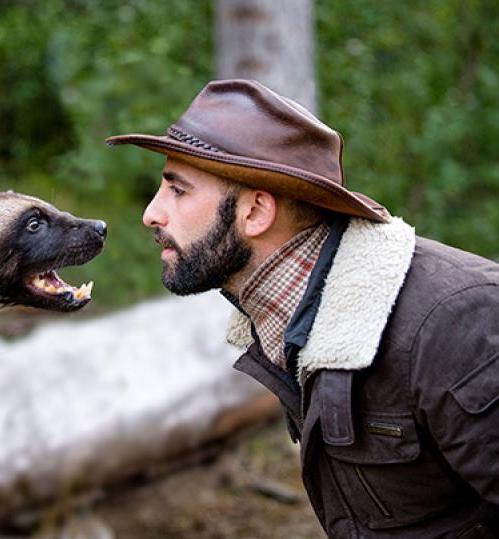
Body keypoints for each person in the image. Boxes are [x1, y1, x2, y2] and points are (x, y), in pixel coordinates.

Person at [106, 79, 499, 537]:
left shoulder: (458, 321)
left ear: (256, 213)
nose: (152, 213)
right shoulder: (293, 320)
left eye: (178, 190)